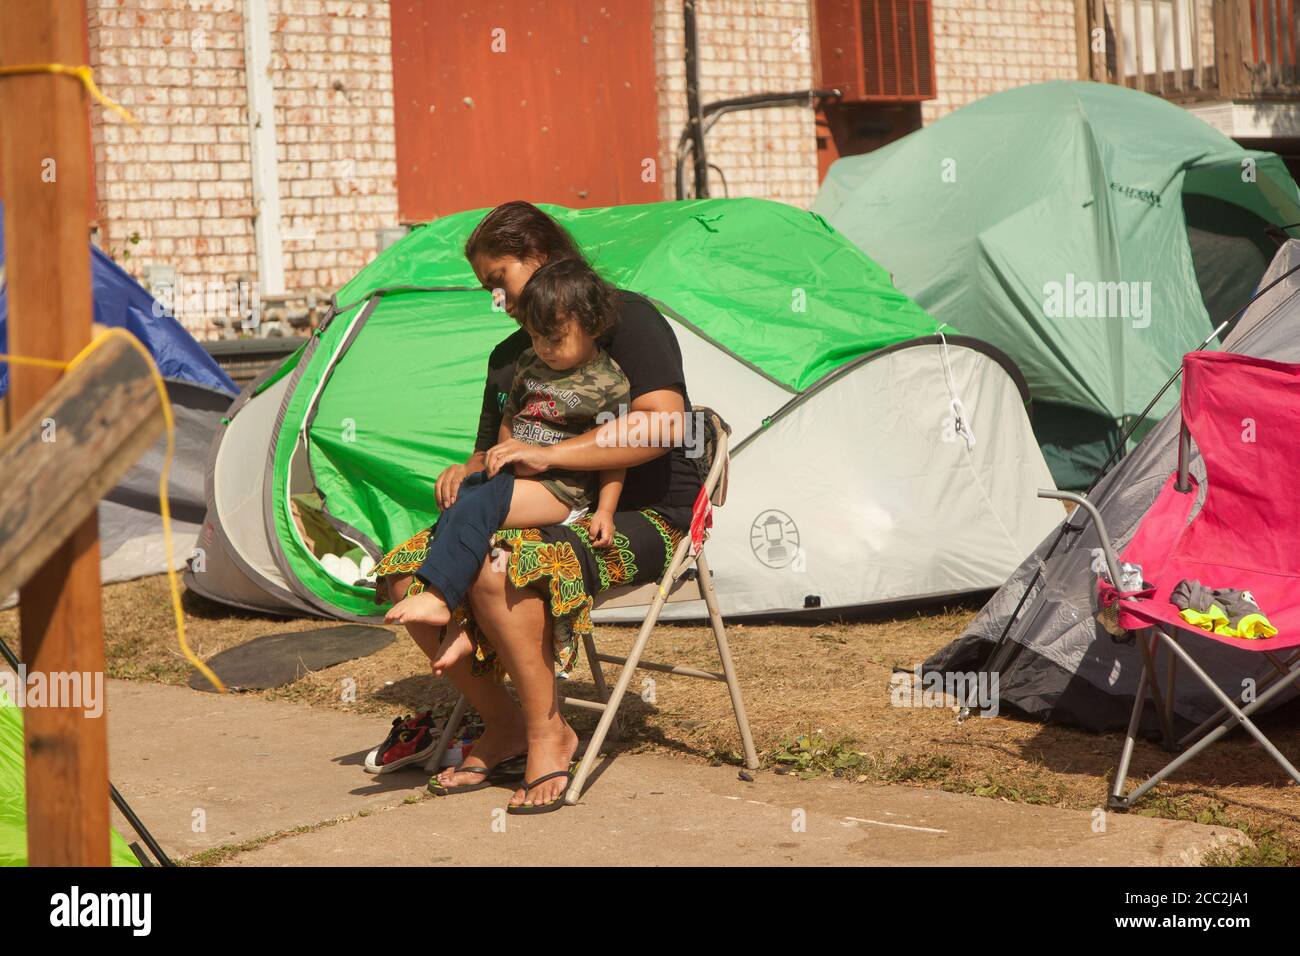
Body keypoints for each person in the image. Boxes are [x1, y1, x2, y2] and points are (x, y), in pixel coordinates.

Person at [371, 201, 702, 813]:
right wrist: (464, 468)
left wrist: (554, 457)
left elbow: (663, 427)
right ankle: (502, 725)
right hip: (530, 504)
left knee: (501, 568)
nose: (496, 298)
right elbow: (494, 454)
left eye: (500, 280)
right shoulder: (511, 356)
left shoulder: (626, 320)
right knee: (400, 573)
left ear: (541, 256)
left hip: (641, 513)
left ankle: (551, 730)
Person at [383, 257, 631, 673]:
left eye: (554, 338)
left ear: (591, 324)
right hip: (519, 481)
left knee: (484, 501)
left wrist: (605, 510)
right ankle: (465, 627)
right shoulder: (531, 365)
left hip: (563, 493)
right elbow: (511, 419)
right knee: (467, 495)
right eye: (535, 337)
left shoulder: (610, 384)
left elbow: (614, 454)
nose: (544, 348)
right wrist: (501, 457)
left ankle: (441, 598)